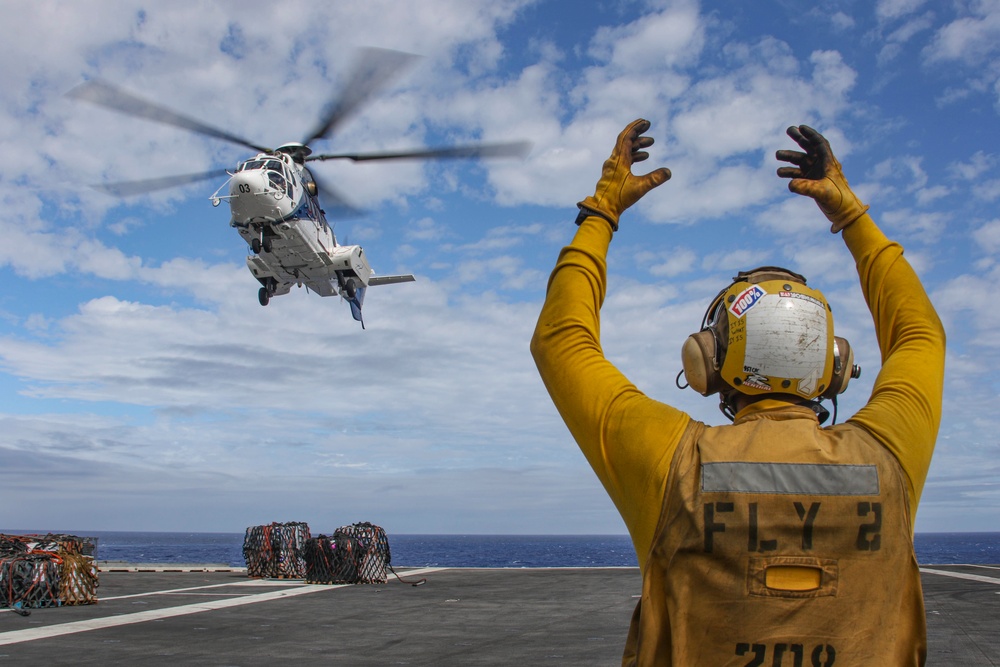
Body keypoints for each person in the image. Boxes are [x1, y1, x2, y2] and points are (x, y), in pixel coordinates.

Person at [530, 119, 945, 666]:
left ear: (706, 363)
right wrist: (851, 217)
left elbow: (561, 341)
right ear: (835, 366)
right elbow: (920, 334)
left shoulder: (671, 460)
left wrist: (601, 211)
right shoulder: (889, 455)